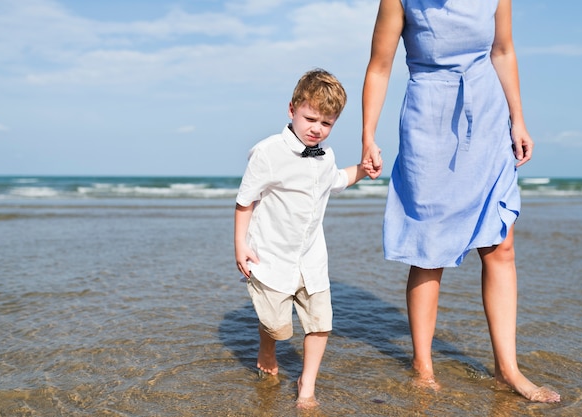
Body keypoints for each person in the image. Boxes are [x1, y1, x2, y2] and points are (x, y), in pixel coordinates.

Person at [359, 0, 561, 403]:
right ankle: (423, 365)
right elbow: (379, 67)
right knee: (428, 250)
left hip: (487, 117)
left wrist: (518, 120)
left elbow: (502, 51)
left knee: (501, 244)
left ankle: (508, 370)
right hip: (428, 121)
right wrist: (368, 135)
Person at [235, 68, 369, 408]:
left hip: (311, 258)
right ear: (292, 108)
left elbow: (336, 180)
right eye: (310, 118)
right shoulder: (267, 152)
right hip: (271, 256)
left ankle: (306, 386)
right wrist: (240, 244)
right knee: (277, 327)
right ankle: (267, 346)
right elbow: (245, 200)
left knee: (320, 323)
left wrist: (363, 170)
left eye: (326, 124)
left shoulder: (327, 157)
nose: (316, 129)